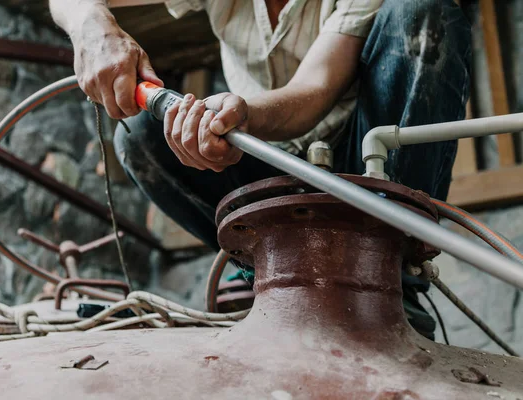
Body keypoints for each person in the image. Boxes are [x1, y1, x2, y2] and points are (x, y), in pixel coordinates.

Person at [49, 0, 472, 340]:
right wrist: (91, 23)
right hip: (256, 164)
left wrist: (244, 114)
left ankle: (392, 280)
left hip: (362, 162)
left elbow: (314, 89)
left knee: (420, 11)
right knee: (140, 132)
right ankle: (268, 272)